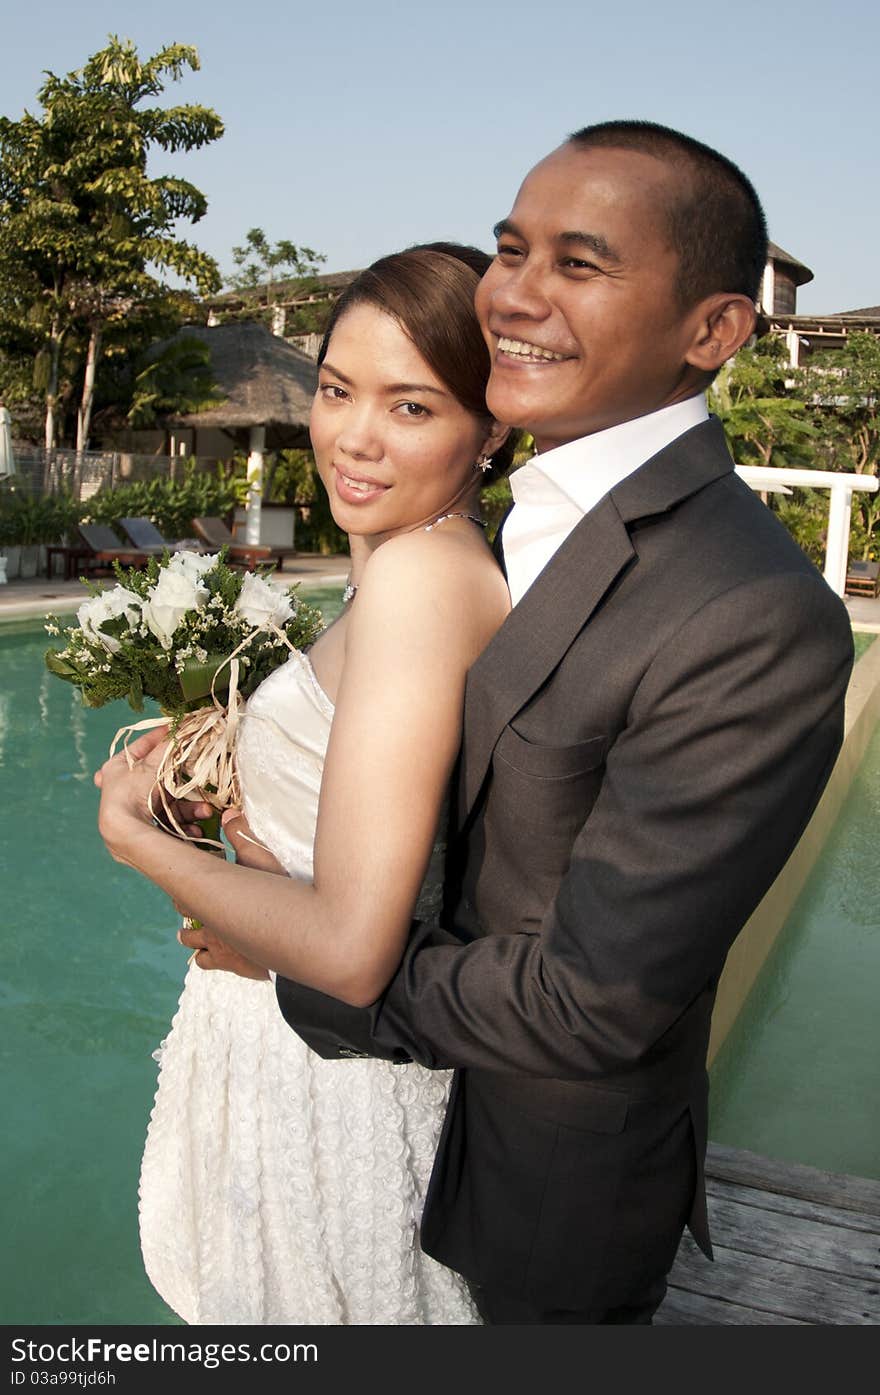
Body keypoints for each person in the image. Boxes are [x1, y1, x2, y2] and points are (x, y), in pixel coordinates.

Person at [208, 121, 854, 1324]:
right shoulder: (513, 518)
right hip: (394, 1122)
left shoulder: (750, 610)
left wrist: (298, 962)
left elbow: (595, 1000)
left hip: (542, 1190)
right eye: (511, 249)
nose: (514, 294)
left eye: (579, 263)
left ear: (713, 331)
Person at [95, 245, 513, 1324]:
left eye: (411, 406)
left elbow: (348, 947)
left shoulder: (424, 576)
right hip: (291, 1056)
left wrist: (138, 836)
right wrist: (243, 809)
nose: (353, 436)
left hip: (333, 1078)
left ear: (494, 426)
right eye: (336, 390)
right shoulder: (403, 565)